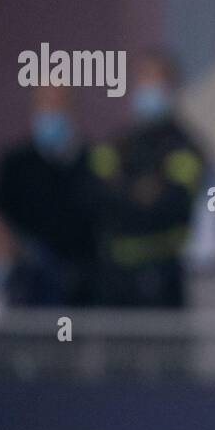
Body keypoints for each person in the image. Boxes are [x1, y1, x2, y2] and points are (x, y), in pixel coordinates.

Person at [88, 50, 206, 307]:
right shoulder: (117, 142)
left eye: (155, 79)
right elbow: (97, 195)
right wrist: (139, 193)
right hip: (113, 274)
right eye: (142, 78)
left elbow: (170, 204)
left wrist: (124, 190)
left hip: (162, 274)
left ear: (172, 87)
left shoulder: (185, 146)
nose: (147, 87)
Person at [0, 82, 96, 304]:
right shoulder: (15, 164)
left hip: (84, 286)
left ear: (73, 110)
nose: (51, 113)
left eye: (58, 105)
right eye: (45, 105)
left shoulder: (95, 162)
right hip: (25, 286)